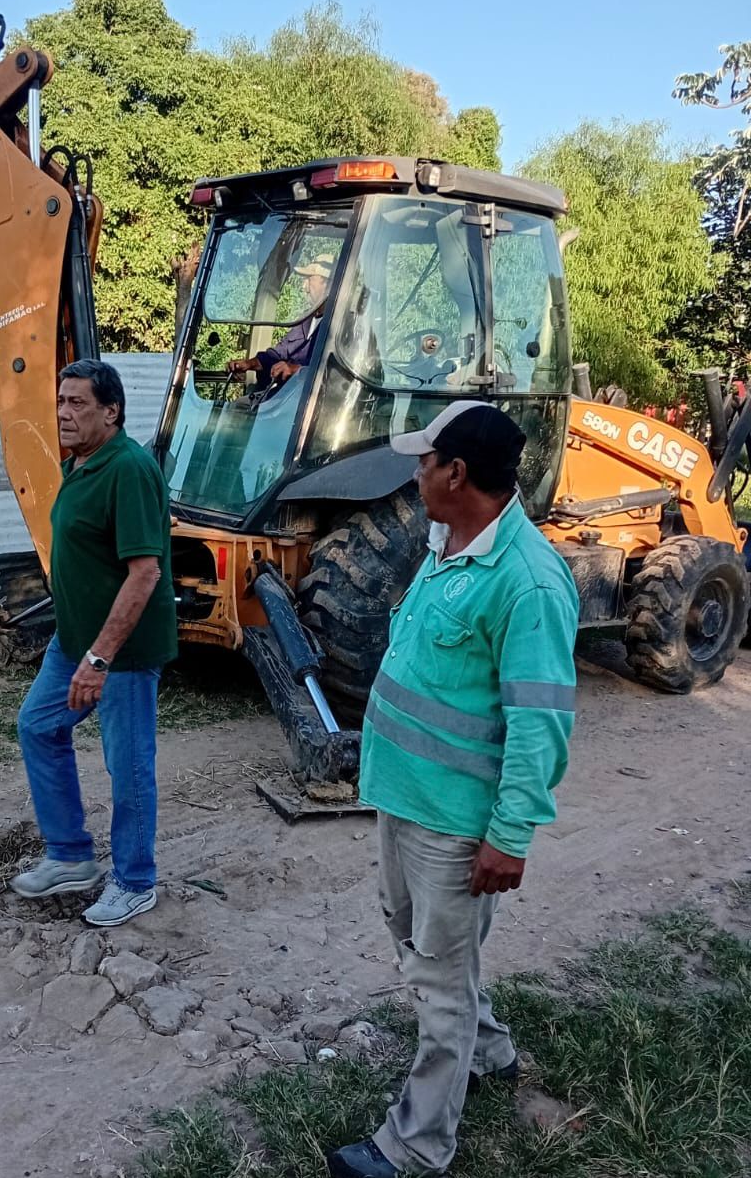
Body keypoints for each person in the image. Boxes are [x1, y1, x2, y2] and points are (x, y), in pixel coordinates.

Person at [326, 401, 579, 1178]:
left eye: (424, 461)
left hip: (456, 825)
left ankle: (415, 1145)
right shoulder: (447, 544)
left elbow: (540, 726)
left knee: (437, 984)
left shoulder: (529, 582)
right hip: (406, 800)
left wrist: (509, 836)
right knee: (425, 948)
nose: (415, 473)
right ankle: (493, 1050)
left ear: (457, 473)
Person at [9, 359, 177, 928]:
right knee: (38, 726)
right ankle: (71, 856)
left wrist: (100, 658)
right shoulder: (82, 464)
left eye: (77, 403)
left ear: (112, 410)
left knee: (128, 764)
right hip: (73, 641)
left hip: (119, 653)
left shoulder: (128, 468)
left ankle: (134, 881)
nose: (62, 413)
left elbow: (144, 573)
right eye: (60, 401)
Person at [227, 253, 334, 400]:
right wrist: (249, 363)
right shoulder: (305, 320)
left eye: (309, 279)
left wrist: (296, 370)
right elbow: (278, 354)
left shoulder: (341, 328)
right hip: (283, 400)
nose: (305, 287)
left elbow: (336, 377)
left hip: (312, 406)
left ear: (328, 284)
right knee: (235, 407)